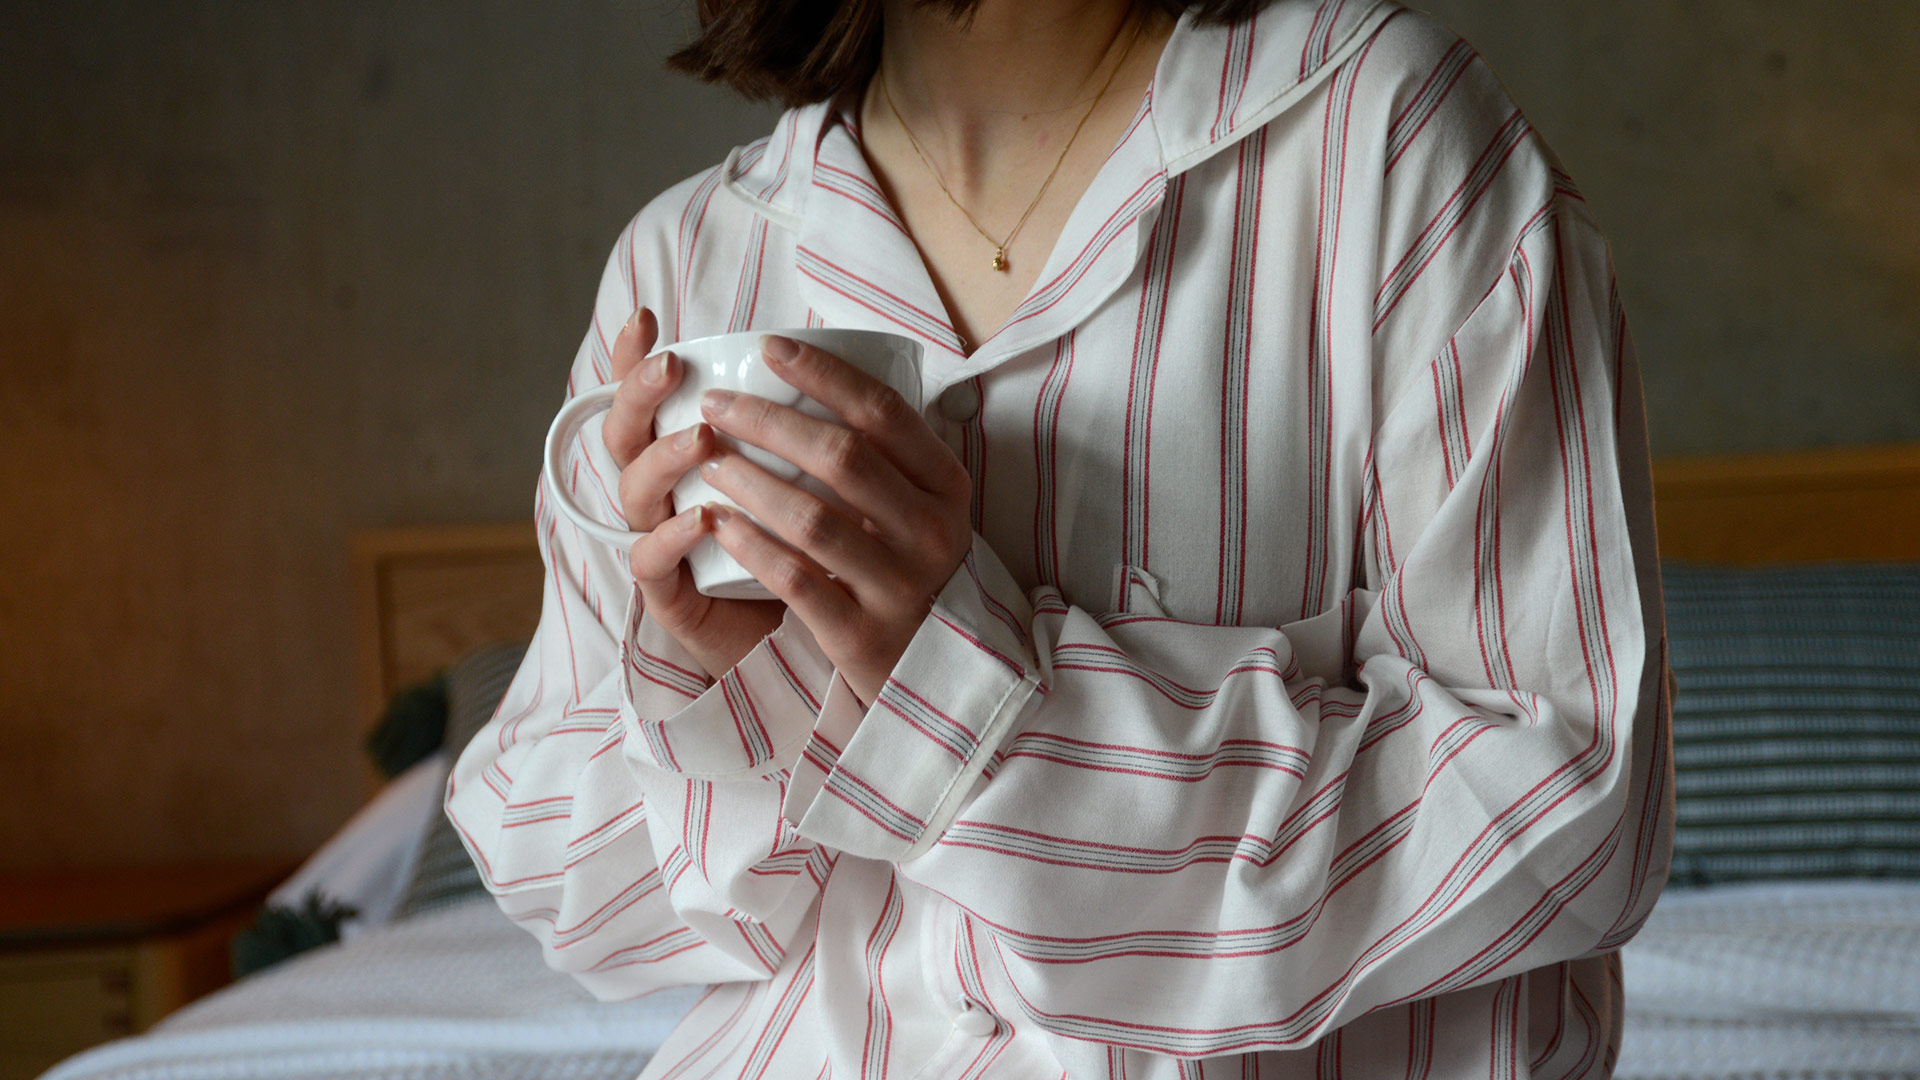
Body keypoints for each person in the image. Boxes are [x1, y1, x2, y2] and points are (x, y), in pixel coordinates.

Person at [448, 0, 1675, 1075]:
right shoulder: (686, 261)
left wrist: (974, 704)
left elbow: (1570, 815)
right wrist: (739, 686)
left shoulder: (1392, 137)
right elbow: (571, 895)